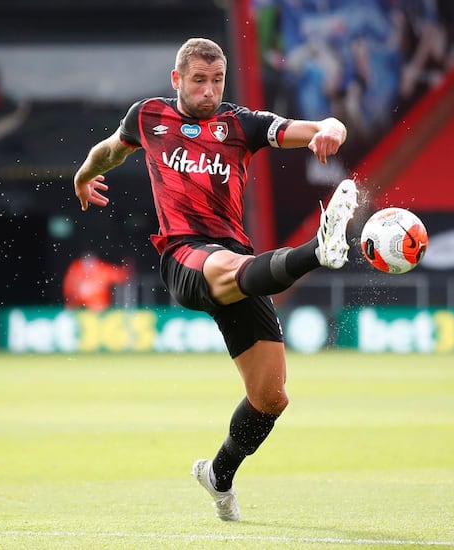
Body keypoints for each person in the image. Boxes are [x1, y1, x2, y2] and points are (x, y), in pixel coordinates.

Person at [73, 37, 359, 521]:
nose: (209, 91)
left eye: (217, 81)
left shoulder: (240, 125)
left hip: (238, 262)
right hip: (183, 256)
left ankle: (218, 474)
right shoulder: (148, 117)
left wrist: (332, 127)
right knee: (226, 266)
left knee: (270, 397)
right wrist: (83, 175)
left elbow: (311, 128)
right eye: (199, 81)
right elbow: (109, 151)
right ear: (176, 80)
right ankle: (320, 249)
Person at [62, 251, 132, 310]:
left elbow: (122, 275)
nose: (89, 267)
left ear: (96, 262)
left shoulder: (102, 270)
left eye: (91, 263)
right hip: (77, 309)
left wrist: (128, 265)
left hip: (99, 310)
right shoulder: (76, 270)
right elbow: (68, 290)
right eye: (86, 264)